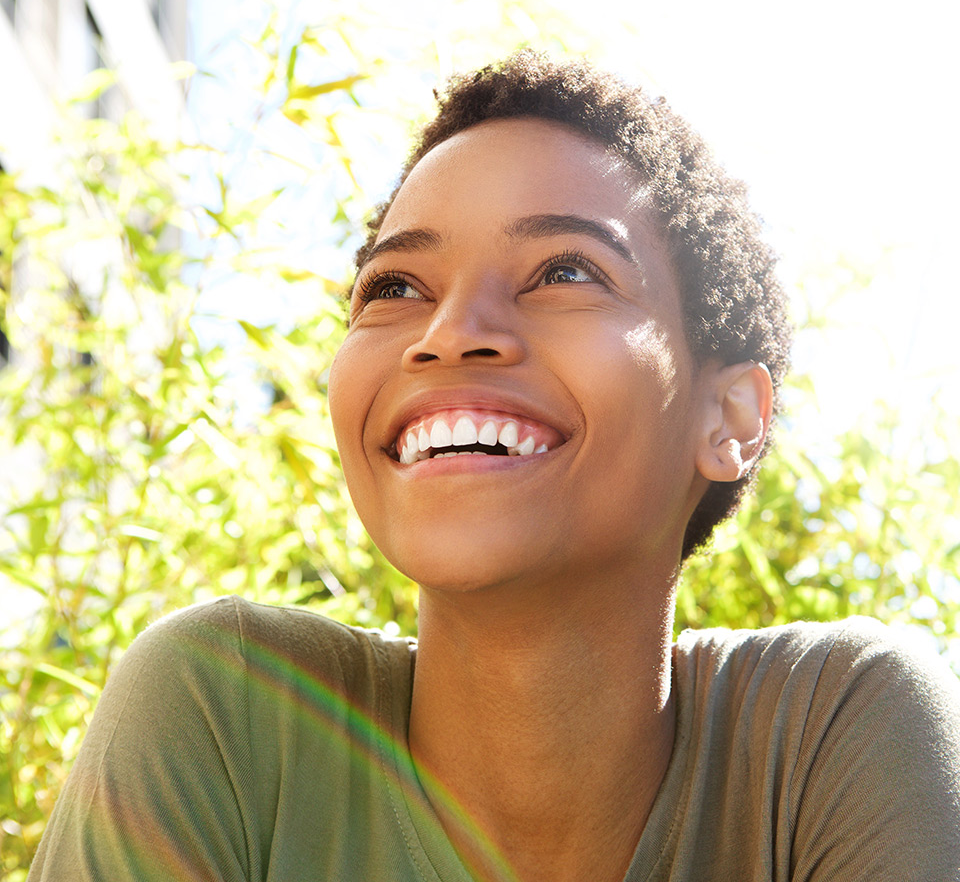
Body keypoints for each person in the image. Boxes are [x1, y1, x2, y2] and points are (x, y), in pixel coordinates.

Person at [28, 51, 960, 882]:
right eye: (395, 288)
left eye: (564, 271)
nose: (448, 334)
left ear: (730, 417)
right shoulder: (227, 714)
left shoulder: (834, 737)